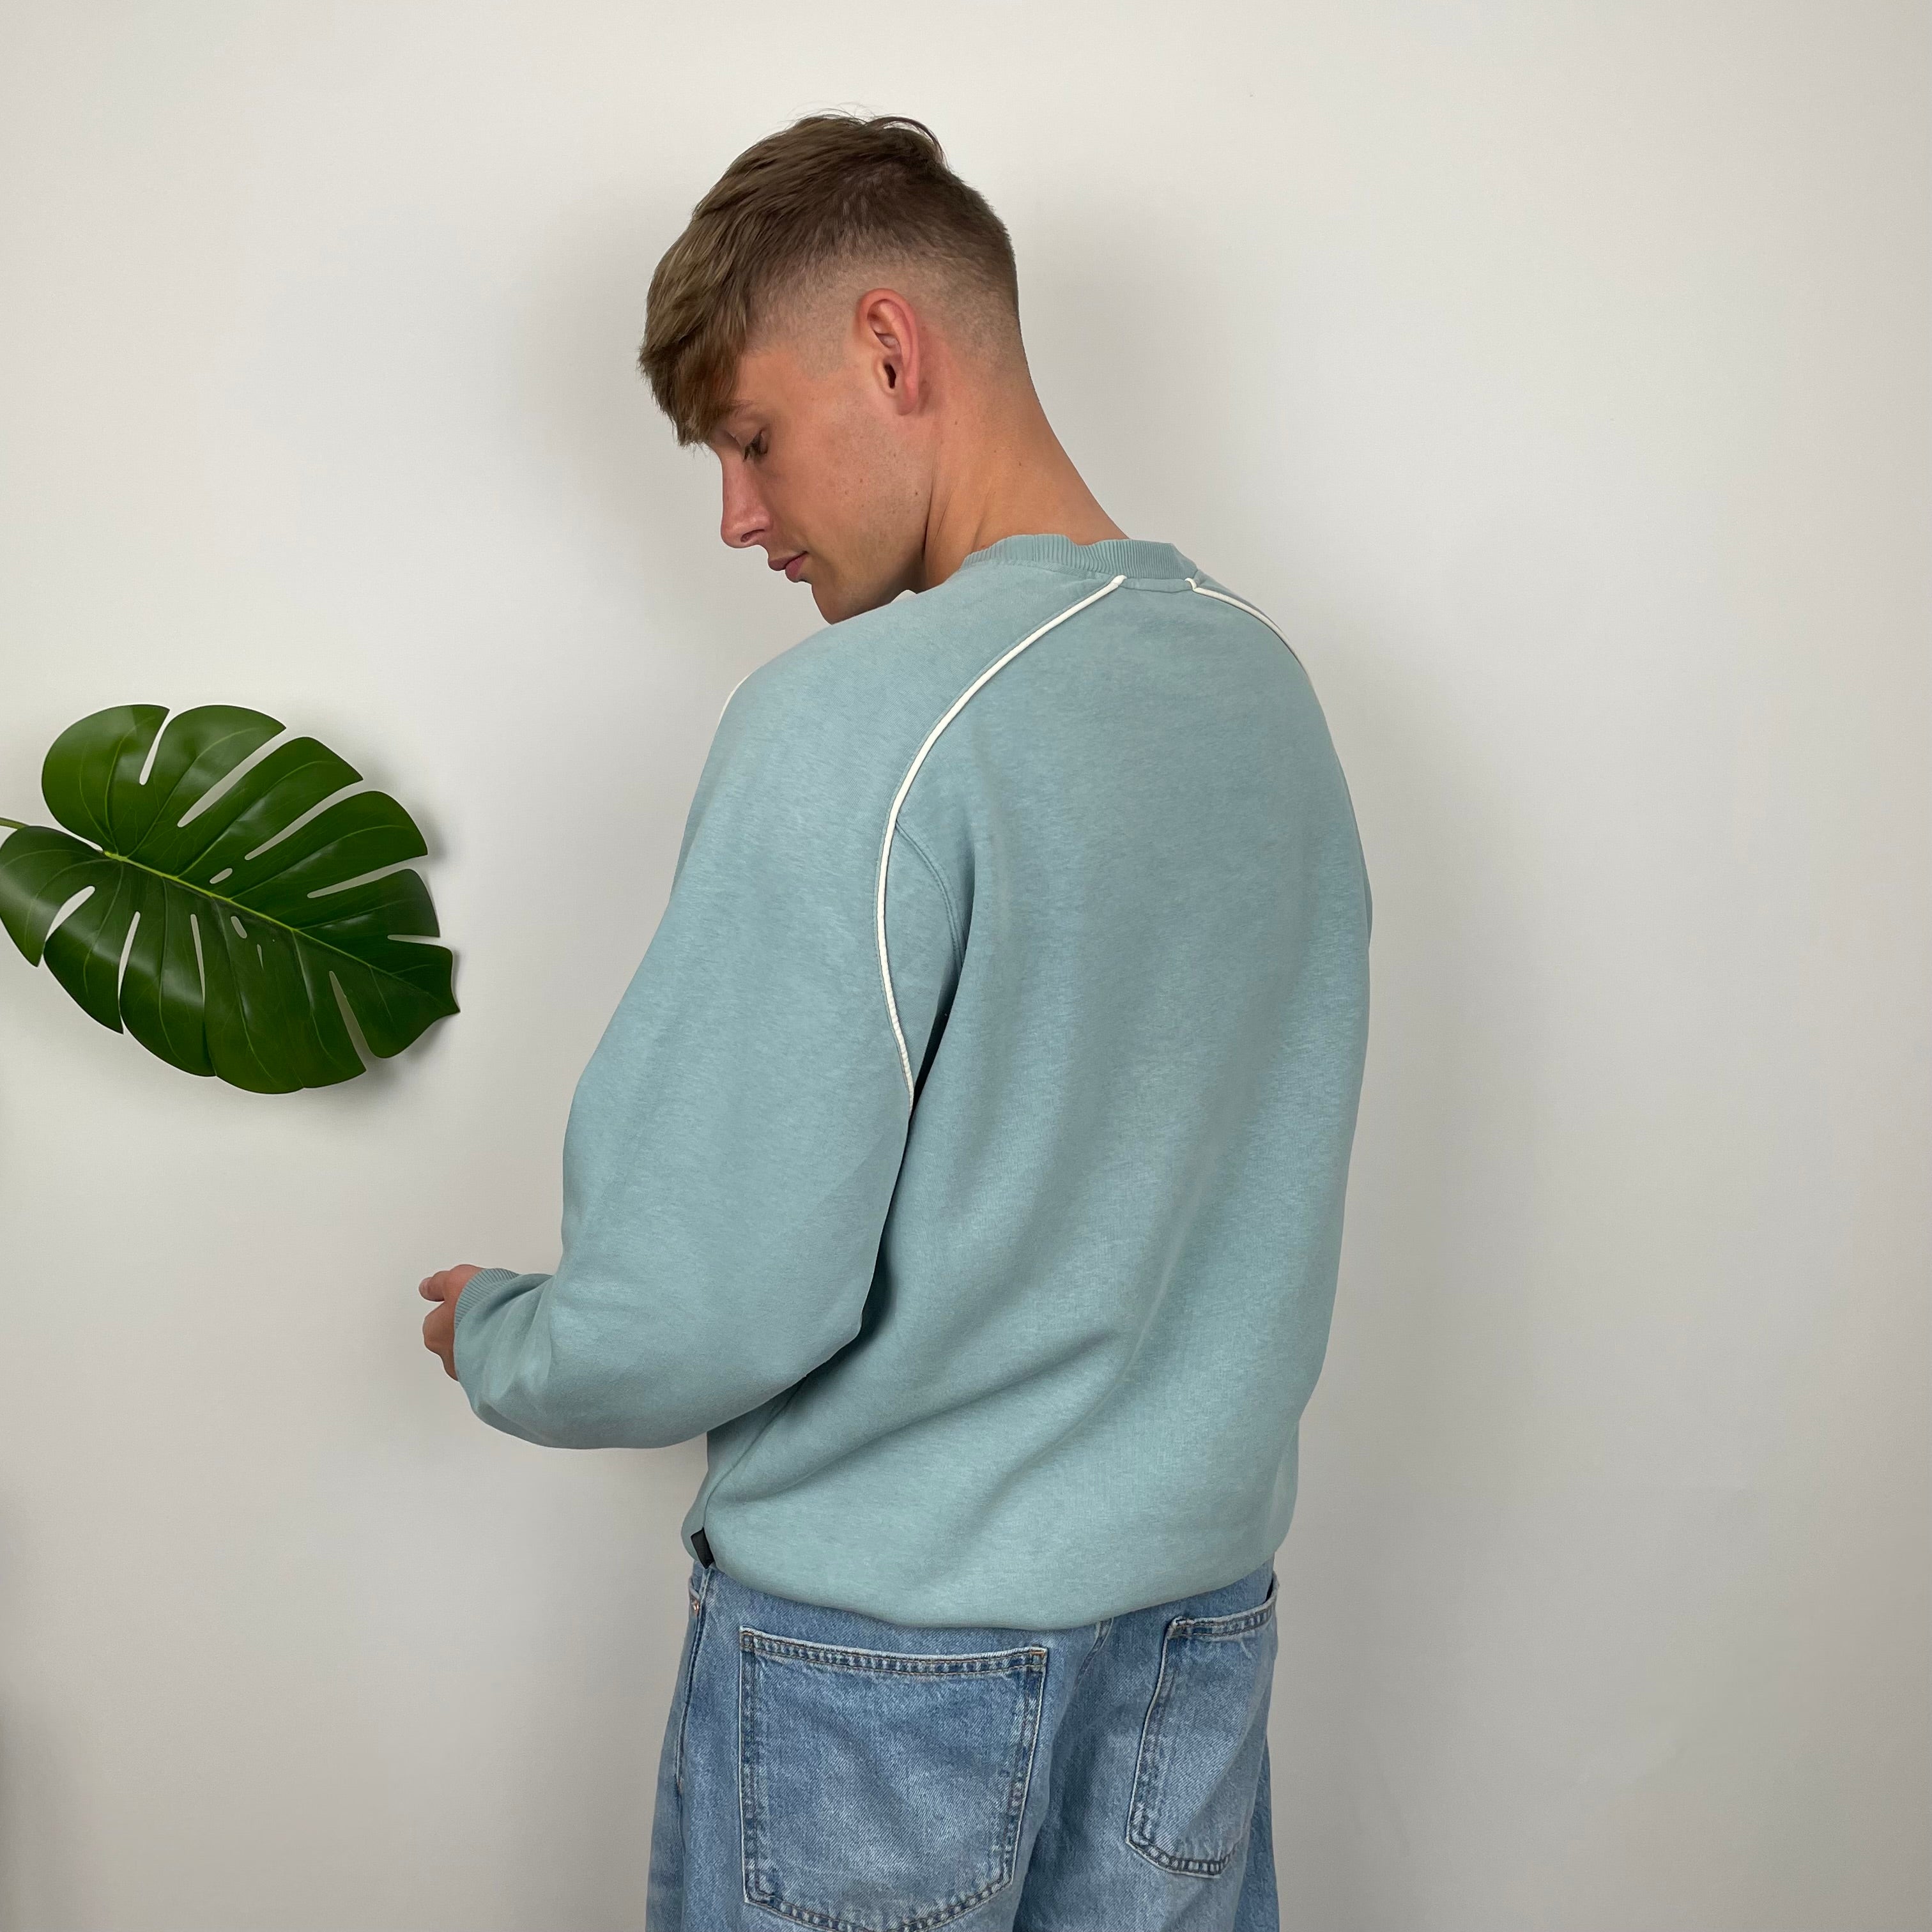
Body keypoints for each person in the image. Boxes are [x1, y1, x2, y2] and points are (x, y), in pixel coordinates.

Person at [419, 111, 1371, 1931]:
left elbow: (713, 1293)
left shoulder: (867, 721)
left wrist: (512, 1344)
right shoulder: (1264, 691)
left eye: (749, 439)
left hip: (886, 1683)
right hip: (1196, 1647)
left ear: (888, 346)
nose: (735, 519)